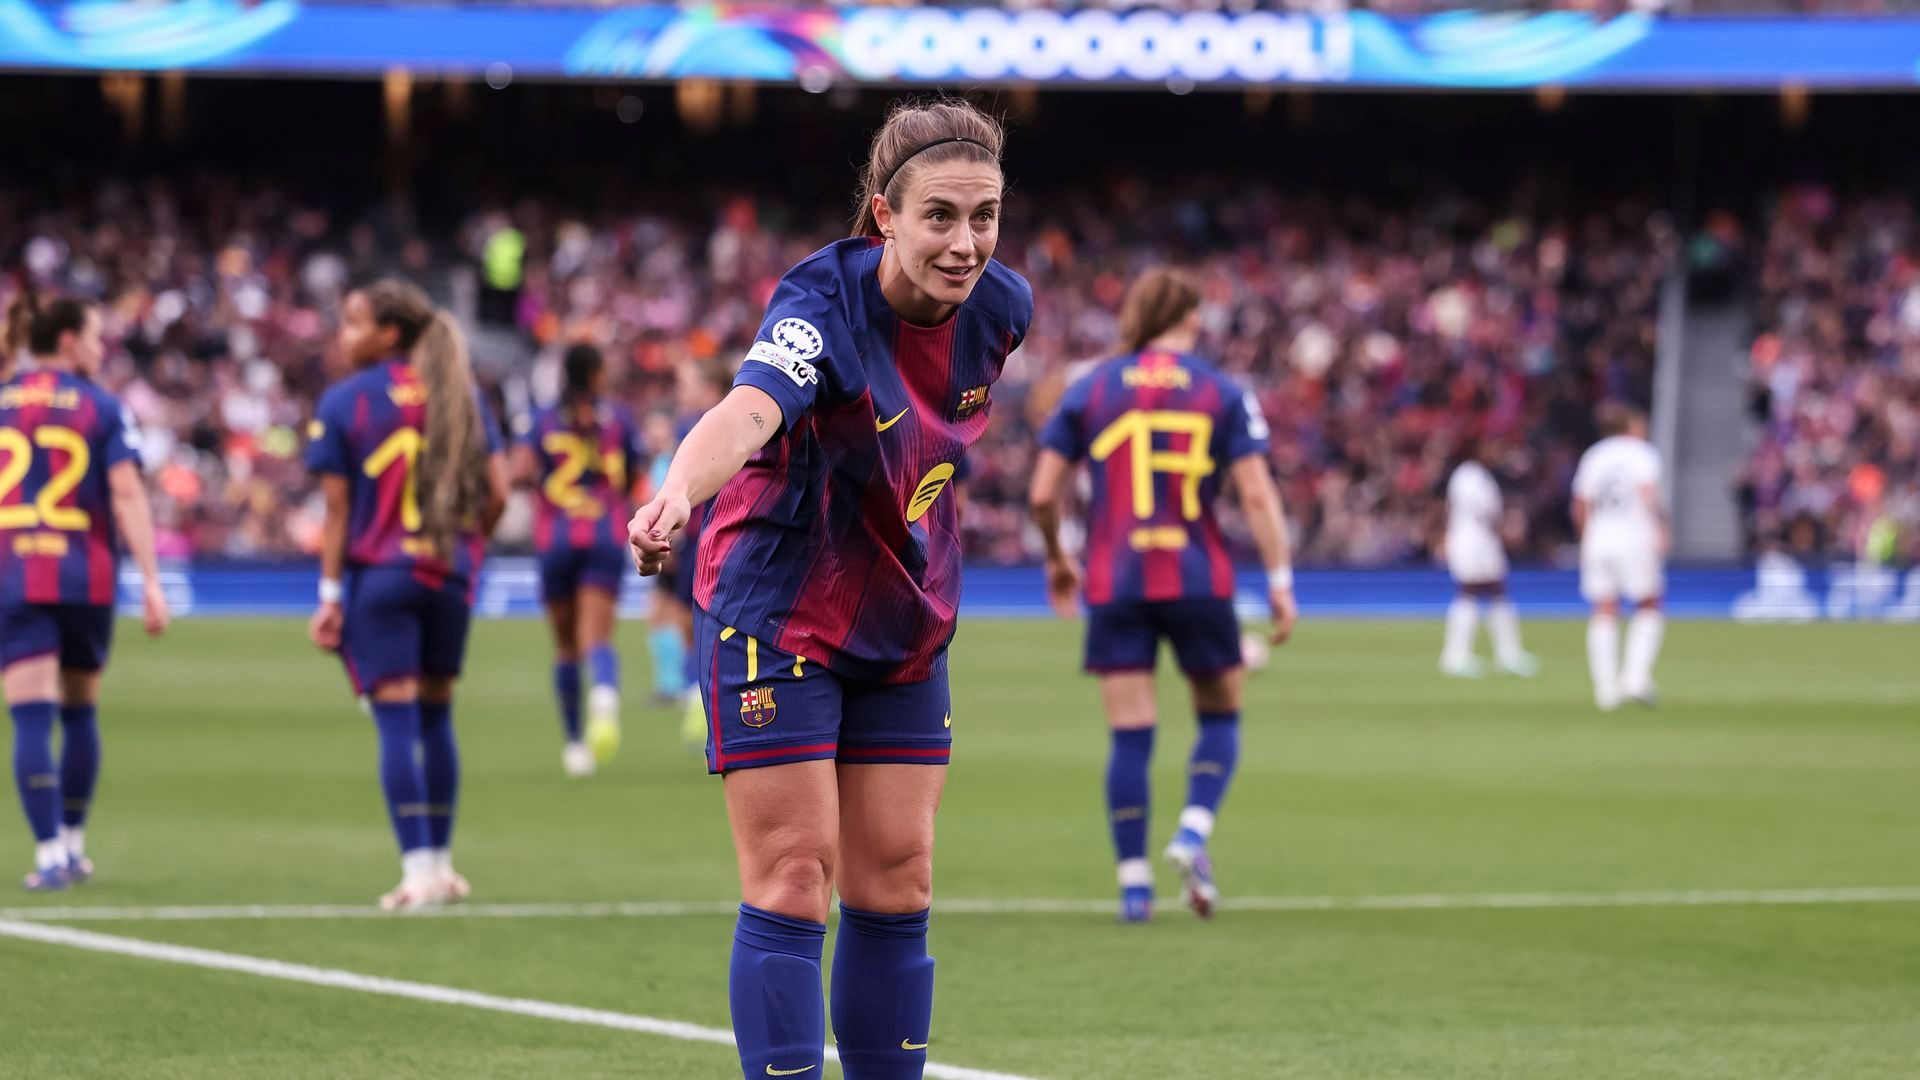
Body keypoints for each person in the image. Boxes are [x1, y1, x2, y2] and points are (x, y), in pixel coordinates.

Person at [627, 98, 1030, 1080]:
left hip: (907, 617)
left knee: (898, 878)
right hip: (784, 612)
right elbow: (750, 409)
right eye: (940, 216)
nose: (966, 241)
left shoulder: (1004, 308)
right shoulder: (820, 304)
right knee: (796, 876)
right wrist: (678, 489)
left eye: (984, 216)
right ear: (884, 215)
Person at [1028, 267, 1296, 923]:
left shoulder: (1089, 388)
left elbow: (1041, 493)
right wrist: (1281, 580)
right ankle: (1192, 832)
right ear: (1191, 318)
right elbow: (1257, 493)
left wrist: (1061, 559)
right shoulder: (1221, 391)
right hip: (1198, 578)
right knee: (1220, 716)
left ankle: (1133, 885)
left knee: (1130, 737)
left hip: (1115, 580)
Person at [305, 280, 508, 910]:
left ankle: (417, 873)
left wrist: (330, 594)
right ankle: (444, 867)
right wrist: (469, 552)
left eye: (353, 323)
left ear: (389, 333)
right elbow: (498, 493)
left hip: (380, 576)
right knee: (437, 715)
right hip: (446, 573)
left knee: (395, 720)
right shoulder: (460, 394)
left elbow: (337, 514)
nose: (343, 336)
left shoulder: (345, 402)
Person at [0, 291, 169, 891]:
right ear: (69, 340)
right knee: (79, 713)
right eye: (96, 337)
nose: (102, 349)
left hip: (14, 574)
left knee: (29, 720)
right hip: (84, 576)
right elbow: (127, 494)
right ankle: (73, 842)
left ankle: (48, 854)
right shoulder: (101, 406)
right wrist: (151, 580)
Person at [513, 344, 641, 777]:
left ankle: (573, 744)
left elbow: (520, 472)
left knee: (565, 645)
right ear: (595, 374)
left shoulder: (543, 419)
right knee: (598, 637)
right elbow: (635, 476)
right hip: (605, 533)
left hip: (556, 538)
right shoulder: (619, 418)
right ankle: (604, 698)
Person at [1572, 403, 1667, 711]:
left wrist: (1586, 539)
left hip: (1598, 537)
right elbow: (1647, 492)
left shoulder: (1593, 455)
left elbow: (1580, 505)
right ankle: (1635, 678)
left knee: (1603, 609)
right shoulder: (1641, 453)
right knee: (1649, 602)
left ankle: (1605, 692)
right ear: (1630, 425)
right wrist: (1661, 528)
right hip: (1634, 535)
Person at [1438, 442, 1537, 678]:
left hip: (1482, 541)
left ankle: (1508, 654)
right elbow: (1484, 511)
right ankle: (1456, 655)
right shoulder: (1469, 475)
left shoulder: (1479, 475)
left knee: (1497, 592)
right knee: (1469, 592)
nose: (1496, 452)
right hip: (1472, 542)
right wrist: (1508, 527)